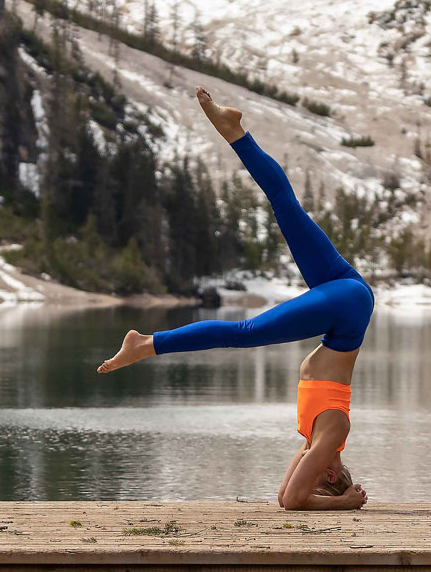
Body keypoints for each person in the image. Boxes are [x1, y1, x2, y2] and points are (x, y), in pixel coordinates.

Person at [98, 87, 372, 511]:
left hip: (345, 299)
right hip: (346, 310)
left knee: (285, 206)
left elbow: (284, 496)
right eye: (319, 481)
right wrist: (344, 504)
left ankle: (235, 131)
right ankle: (147, 344)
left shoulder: (314, 440)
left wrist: (324, 492)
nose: (307, 473)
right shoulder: (332, 437)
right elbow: (294, 502)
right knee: (242, 332)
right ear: (331, 475)